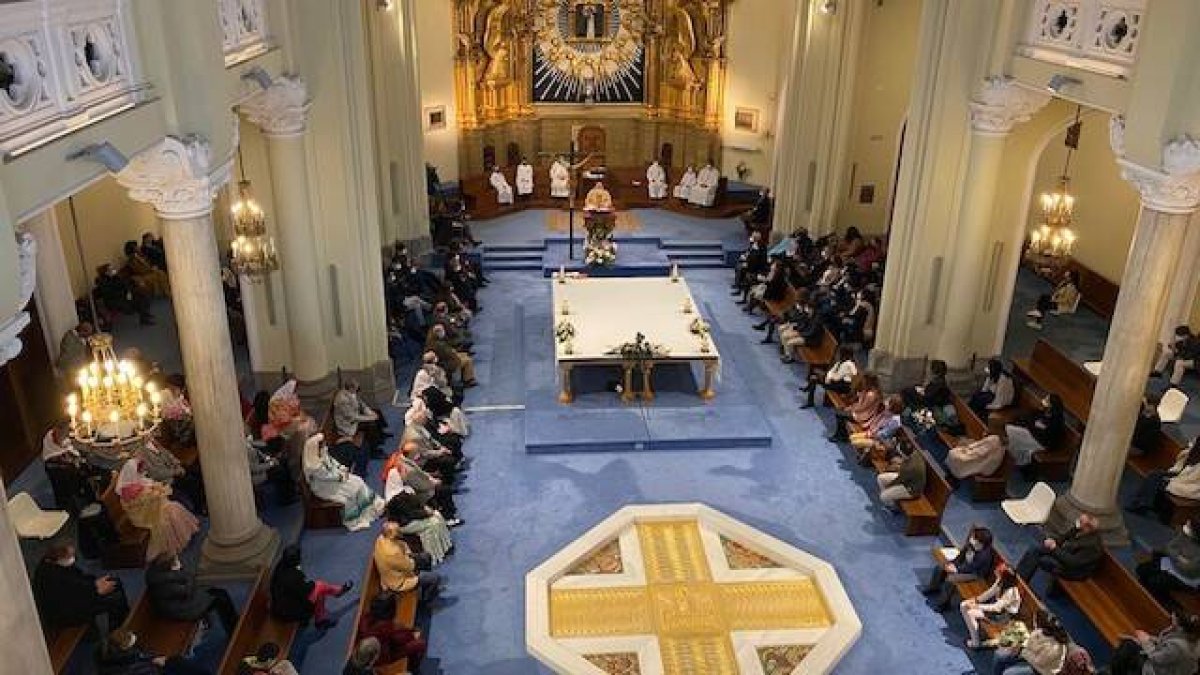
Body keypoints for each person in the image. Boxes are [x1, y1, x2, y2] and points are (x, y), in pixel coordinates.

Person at [116, 458, 200, 562]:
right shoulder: (127, 490)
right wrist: (156, 493)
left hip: (150, 507)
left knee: (173, 507)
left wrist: (157, 491)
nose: (140, 471)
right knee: (167, 514)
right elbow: (138, 504)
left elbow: (148, 488)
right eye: (138, 469)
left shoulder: (137, 480)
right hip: (142, 514)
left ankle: (181, 536)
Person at [33, 543, 130, 633]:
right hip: (66, 612)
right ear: (58, 558)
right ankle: (115, 628)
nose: (72, 559)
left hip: (78, 594)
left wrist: (94, 583)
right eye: (69, 556)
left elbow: (77, 578)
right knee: (112, 600)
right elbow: (71, 594)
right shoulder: (51, 576)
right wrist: (95, 590)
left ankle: (122, 619)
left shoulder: (56, 563)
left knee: (115, 582)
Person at [382, 452, 454, 564]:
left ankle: (445, 547)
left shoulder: (404, 488)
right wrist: (426, 513)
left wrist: (425, 508)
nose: (405, 473)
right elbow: (410, 514)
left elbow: (416, 504)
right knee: (433, 523)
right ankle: (434, 555)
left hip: (412, 517)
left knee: (438, 516)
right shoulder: (395, 498)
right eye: (402, 472)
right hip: (405, 523)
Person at [303, 434, 385, 531]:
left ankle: (373, 508)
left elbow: (333, 463)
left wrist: (342, 469)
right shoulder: (313, 464)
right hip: (323, 487)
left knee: (358, 481)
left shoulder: (322, 452)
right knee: (351, 491)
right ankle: (355, 521)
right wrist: (340, 476)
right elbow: (324, 475)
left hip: (335, 480)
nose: (323, 446)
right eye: (320, 444)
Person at [145, 553, 239, 635]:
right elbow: (187, 590)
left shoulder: (161, 575)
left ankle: (234, 624)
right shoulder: (165, 584)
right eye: (176, 560)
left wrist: (184, 576)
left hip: (181, 601)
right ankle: (233, 629)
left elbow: (188, 584)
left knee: (220, 592)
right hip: (181, 610)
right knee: (220, 599)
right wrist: (184, 573)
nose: (179, 561)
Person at [269, 544, 352, 629]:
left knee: (319, 590)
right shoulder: (294, 576)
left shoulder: (281, 566)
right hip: (289, 612)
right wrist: (311, 583)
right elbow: (307, 590)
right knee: (320, 587)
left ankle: (321, 618)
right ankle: (337, 592)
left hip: (281, 605)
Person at [1015, 513, 1104, 584]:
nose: (1077, 522)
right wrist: (1053, 541)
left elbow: (1073, 562)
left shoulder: (1092, 546)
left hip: (1073, 571)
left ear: (1087, 527)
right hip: (1064, 554)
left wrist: (1054, 548)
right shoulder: (1080, 530)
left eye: (1080, 521)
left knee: (1043, 560)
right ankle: (1017, 576)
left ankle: (1020, 583)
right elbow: (1064, 538)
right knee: (1034, 550)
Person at [923, 526, 996, 611]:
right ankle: (933, 587)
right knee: (940, 567)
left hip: (975, 574)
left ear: (980, 542)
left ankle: (943, 604)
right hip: (964, 567)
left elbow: (972, 568)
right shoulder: (971, 545)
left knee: (951, 579)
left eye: (974, 537)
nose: (971, 538)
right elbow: (960, 556)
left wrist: (957, 570)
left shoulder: (984, 555)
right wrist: (953, 564)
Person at [1107, 613, 1200, 675]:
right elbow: (1163, 643)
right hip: (1165, 665)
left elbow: (1156, 658)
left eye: (1174, 619)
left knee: (1128, 647)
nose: (1172, 618)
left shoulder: (1178, 646)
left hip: (1156, 671)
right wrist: (1147, 639)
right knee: (1131, 643)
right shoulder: (1191, 638)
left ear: (1181, 626)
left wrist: (1145, 642)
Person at [1136, 518, 1200, 609]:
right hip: (1170, 564)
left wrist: (1175, 555)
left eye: (1189, 526)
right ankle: (1142, 593)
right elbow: (1170, 547)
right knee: (1141, 570)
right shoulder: (1184, 534)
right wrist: (1180, 558)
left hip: (1185, 578)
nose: (1186, 527)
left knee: (1154, 581)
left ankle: (1161, 603)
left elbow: (1188, 569)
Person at [1128, 438, 1200, 517]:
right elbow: (1180, 465)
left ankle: (1141, 504)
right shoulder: (1193, 454)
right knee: (1154, 474)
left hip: (1190, 488)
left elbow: (1193, 484)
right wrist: (1187, 452)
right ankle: (1142, 503)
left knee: (1158, 480)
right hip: (1179, 476)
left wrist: (1171, 481)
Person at [374, 521, 443, 601]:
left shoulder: (381, 538)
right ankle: (424, 599)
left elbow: (403, 544)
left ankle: (423, 584)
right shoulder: (392, 553)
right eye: (397, 531)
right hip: (399, 582)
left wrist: (408, 554)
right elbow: (409, 567)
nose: (400, 532)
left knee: (426, 556)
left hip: (399, 566)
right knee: (435, 578)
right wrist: (410, 556)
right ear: (390, 534)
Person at [95, 627, 209, 675]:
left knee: (177, 662)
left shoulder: (110, 658)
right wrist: (165, 663)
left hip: (155, 667)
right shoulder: (130, 666)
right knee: (179, 664)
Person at [357, 593, 427, 668]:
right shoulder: (385, 627)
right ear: (391, 611)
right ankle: (413, 666)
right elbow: (403, 638)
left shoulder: (365, 618)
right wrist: (412, 633)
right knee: (421, 643)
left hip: (365, 653)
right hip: (381, 658)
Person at [961, 566, 1021, 648]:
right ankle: (975, 635)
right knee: (964, 605)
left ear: (1005, 577)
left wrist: (977, 606)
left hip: (1002, 616)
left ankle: (975, 642)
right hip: (995, 611)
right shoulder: (1000, 581)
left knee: (970, 613)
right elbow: (990, 592)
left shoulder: (1010, 592)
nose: (996, 570)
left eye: (999, 571)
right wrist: (976, 600)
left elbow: (996, 608)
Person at [850, 394, 903, 465]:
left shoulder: (895, 420)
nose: (886, 402)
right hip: (872, 433)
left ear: (892, 405)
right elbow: (876, 422)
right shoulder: (887, 411)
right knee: (851, 438)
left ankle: (867, 455)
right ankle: (865, 453)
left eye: (888, 401)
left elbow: (884, 433)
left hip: (881, 441)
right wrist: (870, 431)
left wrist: (871, 434)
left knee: (855, 442)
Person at [830, 372, 883, 442]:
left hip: (864, 416)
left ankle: (841, 436)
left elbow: (862, 407)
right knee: (840, 411)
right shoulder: (869, 390)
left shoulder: (871, 394)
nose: (863, 382)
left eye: (865, 381)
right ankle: (842, 435)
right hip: (861, 412)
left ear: (869, 381)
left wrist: (850, 409)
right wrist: (850, 407)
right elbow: (860, 404)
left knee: (840, 414)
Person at [876, 438, 926, 511]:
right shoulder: (915, 453)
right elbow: (903, 470)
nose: (899, 454)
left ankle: (893, 507)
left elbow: (899, 480)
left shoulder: (910, 468)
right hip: (907, 479)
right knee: (880, 478)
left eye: (900, 452)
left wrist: (888, 486)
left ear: (904, 454)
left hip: (911, 490)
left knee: (883, 496)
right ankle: (892, 499)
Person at [1131, 392, 1164, 457]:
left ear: (1152, 406)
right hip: (1133, 443)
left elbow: (1143, 442)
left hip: (1138, 448)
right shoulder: (1143, 413)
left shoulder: (1154, 422)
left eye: (1145, 404)